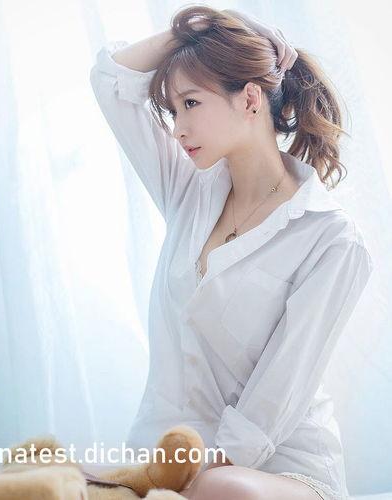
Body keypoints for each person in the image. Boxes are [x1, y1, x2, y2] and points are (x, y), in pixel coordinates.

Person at [89, 5, 373, 500]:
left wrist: (186, 480)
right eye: (172, 111)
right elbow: (110, 79)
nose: (177, 128)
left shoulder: (331, 238)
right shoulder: (188, 191)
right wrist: (202, 26)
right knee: (57, 475)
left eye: (191, 104)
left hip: (278, 470)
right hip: (169, 459)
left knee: (223, 489)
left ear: (250, 99)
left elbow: (278, 394)